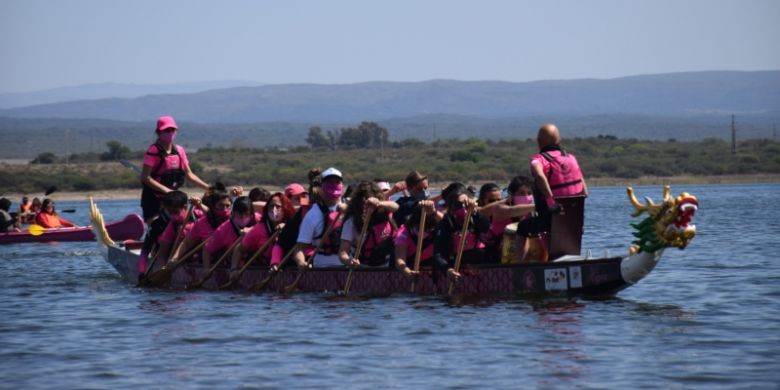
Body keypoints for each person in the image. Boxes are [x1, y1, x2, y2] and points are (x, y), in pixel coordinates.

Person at [517, 123, 588, 238]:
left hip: (550, 217)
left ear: (539, 141)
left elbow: (539, 175)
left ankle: (522, 257)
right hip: (575, 219)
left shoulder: (537, 159)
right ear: (559, 140)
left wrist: (551, 202)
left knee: (522, 227)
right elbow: (585, 192)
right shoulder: (571, 158)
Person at [140, 115, 210, 224]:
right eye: (166, 130)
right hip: (154, 199)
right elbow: (146, 178)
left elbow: (189, 175)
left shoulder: (179, 151)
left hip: (174, 200)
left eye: (172, 130)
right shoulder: (153, 151)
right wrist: (168, 191)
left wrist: (208, 188)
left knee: (182, 224)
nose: (170, 133)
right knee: (157, 227)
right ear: (159, 132)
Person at [431, 186, 492, 283]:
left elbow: (485, 227)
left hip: (480, 262)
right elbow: (438, 255)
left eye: (466, 204)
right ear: (451, 207)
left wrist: (474, 212)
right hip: (457, 265)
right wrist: (448, 270)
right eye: (458, 205)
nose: (463, 208)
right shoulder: (445, 224)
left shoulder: (476, 217)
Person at [230, 192, 295, 277]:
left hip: (289, 267)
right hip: (266, 270)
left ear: (285, 209)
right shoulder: (259, 229)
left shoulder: (293, 225)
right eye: (271, 206)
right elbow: (239, 249)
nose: (274, 209)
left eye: (278, 207)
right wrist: (233, 269)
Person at [293, 167, 346, 268]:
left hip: (349, 268)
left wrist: (350, 210)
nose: (333, 184)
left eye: (337, 181)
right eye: (329, 182)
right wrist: (301, 262)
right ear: (321, 187)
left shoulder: (351, 209)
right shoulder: (312, 215)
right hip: (322, 268)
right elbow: (299, 249)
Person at [338, 181, 399, 268]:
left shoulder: (384, 211)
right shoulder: (351, 221)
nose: (367, 203)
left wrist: (378, 203)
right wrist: (349, 261)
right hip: (363, 269)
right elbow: (343, 252)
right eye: (364, 199)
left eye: (370, 199)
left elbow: (396, 207)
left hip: (387, 267)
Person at [477, 177, 537, 261]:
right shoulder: (500, 209)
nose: (527, 196)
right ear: (512, 195)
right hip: (498, 258)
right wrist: (540, 206)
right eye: (522, 193)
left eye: (529, 193)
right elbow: (513, 210)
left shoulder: (531, 213)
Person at [168, 190, 232, 264]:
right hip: (208, 264)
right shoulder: (201, 223)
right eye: (221, 205)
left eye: (228, 206)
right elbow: (186, 244)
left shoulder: (234, 222)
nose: (225, 209)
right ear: (213, 206)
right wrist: (174, 259)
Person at [138, 191, 189, 277]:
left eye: (176, 212)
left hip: (185, 256)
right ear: (164, 206)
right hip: (163, 257)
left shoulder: (194, 218)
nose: (173, 215)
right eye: (170, 211)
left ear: (185, 207)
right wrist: (142, 271)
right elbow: (145, 250)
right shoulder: (156, 225)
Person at [202, 196, 256, 269]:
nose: (243, 217)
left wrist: (252, 230)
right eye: (239, 214)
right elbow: (207, 250)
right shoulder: (223, 230)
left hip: (255, 265)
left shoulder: (258, 221)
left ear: (252, 215)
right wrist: (206, 270)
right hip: (233, 268)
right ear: (233, 213)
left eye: (246, 214)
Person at [394, 200, 437, 280]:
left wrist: (433, 211)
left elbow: (445, 220)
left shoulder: (437, 225)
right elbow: (399, 260)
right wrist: (408, 273)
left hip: (433, 270)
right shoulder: (404, 232)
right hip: (411, 270)